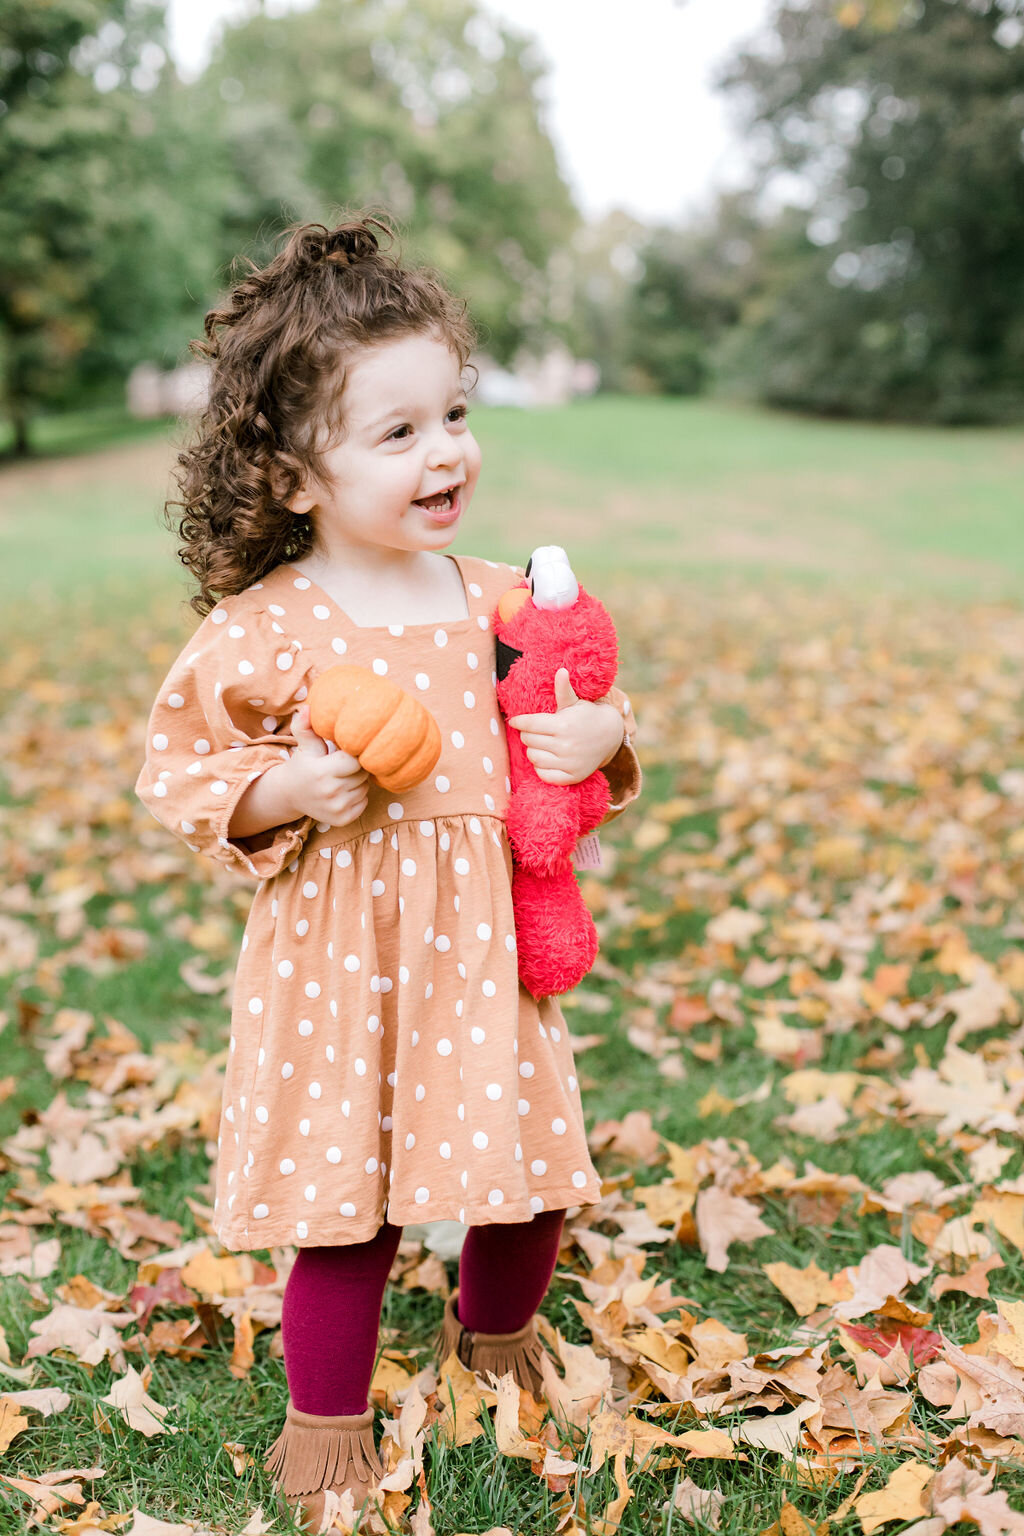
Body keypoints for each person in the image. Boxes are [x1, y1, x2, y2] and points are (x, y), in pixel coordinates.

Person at [134, 210, 642, 1532]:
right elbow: (180, 769)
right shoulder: (270, 627)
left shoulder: (494, 601)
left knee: (528, 1171)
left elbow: (566, 746)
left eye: (456, 415)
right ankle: (327, 1426)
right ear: (295, 473)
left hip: (482, 954)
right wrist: (278, 791)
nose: (448, 452)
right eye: (399, 431)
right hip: (338, 968)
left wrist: (600, 737)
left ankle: (497, 1340)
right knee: (343, 1214)